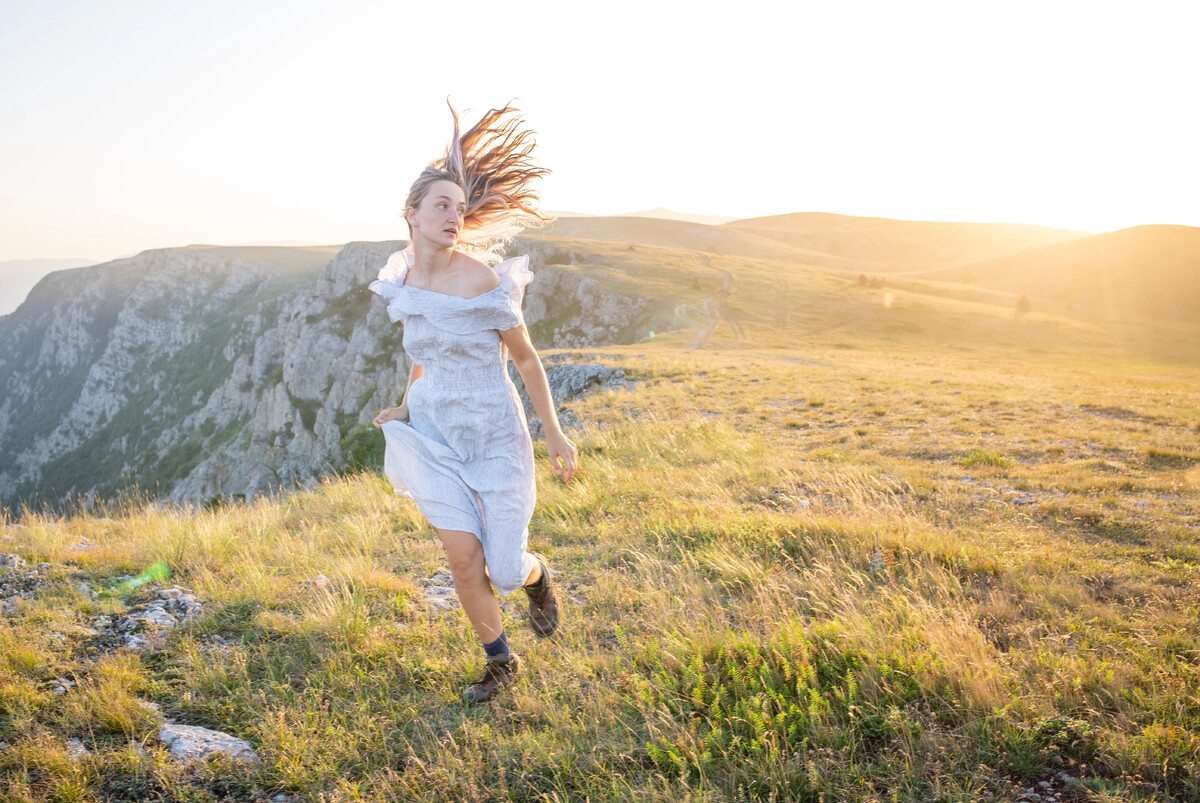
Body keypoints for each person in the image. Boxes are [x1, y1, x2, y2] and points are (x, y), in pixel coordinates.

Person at [368, 101, 578, 704]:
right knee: (463, 559)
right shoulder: (404, 280)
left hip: (492, 432)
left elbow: (527, 358)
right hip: (436, 430)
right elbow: (423, 351)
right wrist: (406, 406)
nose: (454, 217)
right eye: (442, 205)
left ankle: (539, 579)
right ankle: (500, 663)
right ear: (411, 214)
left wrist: (554, 433)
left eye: (460, 209)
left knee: (505, 570)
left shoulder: (482, 281)